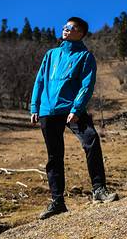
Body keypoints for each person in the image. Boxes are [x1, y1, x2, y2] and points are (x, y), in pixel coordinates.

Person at [30, 16, 118, 220]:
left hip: (72, 110)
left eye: (70, 27)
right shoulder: (51, 54)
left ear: (81, 33)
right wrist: (35, 106)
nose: (65, 29)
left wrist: (77, 109)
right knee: (54, 156)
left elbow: (87, 85)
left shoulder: (85, 57)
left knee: (91, 140)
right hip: (47, 111)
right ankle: (57, 202)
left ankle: (99, 190)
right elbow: (39, 81)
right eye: (65, 26)